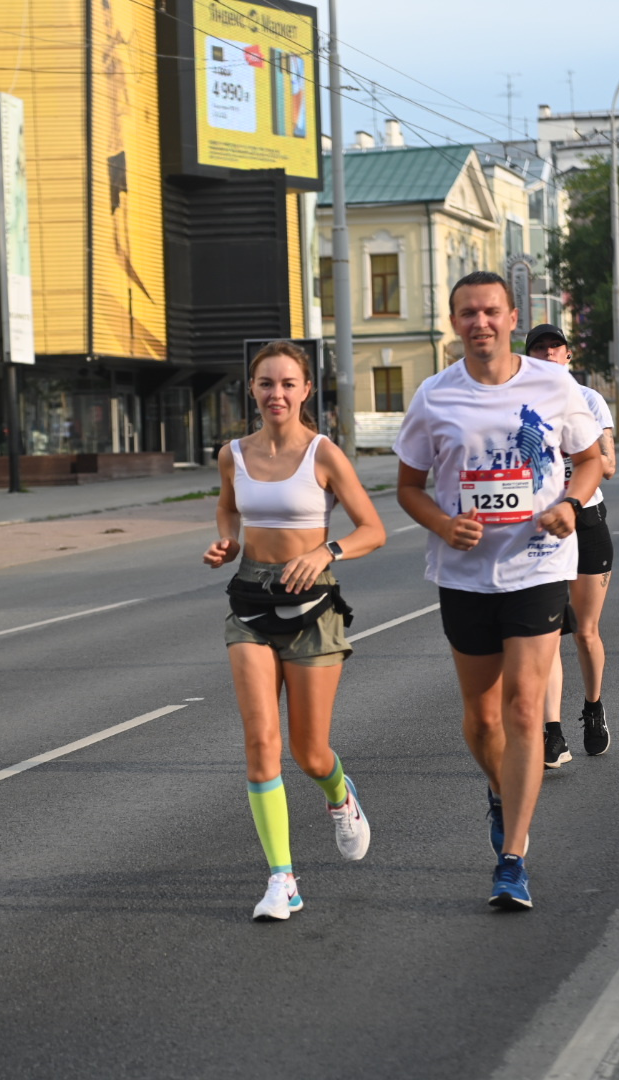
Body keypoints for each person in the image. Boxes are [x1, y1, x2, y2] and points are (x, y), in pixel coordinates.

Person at [393, 272, 603, 910]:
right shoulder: (434, 396)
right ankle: (498, 788)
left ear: (512, 317)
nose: (479, 323)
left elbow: (590, 458)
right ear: (454, 323)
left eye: (490, 311)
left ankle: (513, 857)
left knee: (523, 711)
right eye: (466, 314)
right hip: (463, 576)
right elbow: (408, 487)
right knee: (482, 719)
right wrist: (442, 523)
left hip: (537, 564)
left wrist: (570, 501)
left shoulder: (554, 384)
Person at [204, 340, 386, 922]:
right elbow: (228, 509)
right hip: (251, 600)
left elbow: (373, 529)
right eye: (265, 383)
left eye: (287, 383)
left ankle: (339, 794)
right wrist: (227, 541)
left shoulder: (324, 454)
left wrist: (329, 550)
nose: (276, 393)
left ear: (306, 390)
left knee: (309, 753)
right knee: (262, 744)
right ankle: (282, 879)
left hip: (313, 607)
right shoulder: (232, 453)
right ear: (251, 390)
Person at [526, 323, 616, 765]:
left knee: (584, 632)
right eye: (538, 349)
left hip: (585, 521)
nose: (547, 354)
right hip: (540, 526)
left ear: (567, 356)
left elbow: (609, 464)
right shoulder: (517, 402)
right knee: (546, 635)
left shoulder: (589, 400)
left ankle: (593, 707)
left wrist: (578, 455)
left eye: (554, 348)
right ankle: (553, 734)